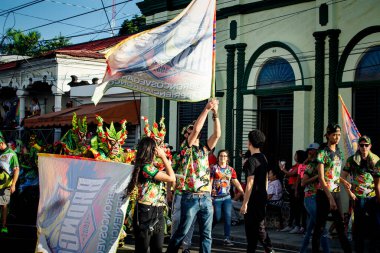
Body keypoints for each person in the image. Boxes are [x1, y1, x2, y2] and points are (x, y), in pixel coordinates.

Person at [167, 99, 221, 253]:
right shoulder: (186, 149)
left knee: (207, 235)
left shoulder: (204, 149)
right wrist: (206, 108)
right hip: (189, 197)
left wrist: (215, 114)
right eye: (189, 130)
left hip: (205, 197)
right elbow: (197, 129)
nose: (194, 131)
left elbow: (217, 134)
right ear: (186, 134)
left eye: (193, 129)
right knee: (182, 231)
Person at [125, 137, 175, 253]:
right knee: (142, 249)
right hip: (146, 212)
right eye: (155, 148)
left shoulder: (151, 167)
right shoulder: (147, 168)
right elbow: (171, 178)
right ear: (150, 150)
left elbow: (170, 177)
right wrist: (163, 157)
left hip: (158, 211)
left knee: (157, 249)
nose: (157, 151)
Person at [311, 123, 352, 253]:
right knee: (319, 227)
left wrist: (343, 181)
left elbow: (333, 174)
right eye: (334, 134)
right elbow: (322, 178)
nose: (337, 137)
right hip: (324, 194)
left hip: (336, 192)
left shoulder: (338, 152)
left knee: (340, 226)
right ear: (328, 135)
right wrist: (330, 199)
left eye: (339, 134)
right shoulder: (323, 152)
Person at [341, 135, 380, 253]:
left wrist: (379, 196)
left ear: (370, 146)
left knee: (376, 225)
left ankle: (373, 249)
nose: (364, 147)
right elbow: (342, 177)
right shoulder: (352, 160)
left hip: (373, 196)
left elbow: (378, 181)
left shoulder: (376, 160)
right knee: (359, 227)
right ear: (358, 146)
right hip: (358, 197)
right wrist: (349, 192)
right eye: (361, 145)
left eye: (366, 145)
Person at [240, 129, 274, 253]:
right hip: (261, 196)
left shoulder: (251, 161)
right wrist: (264, 192)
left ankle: (269, 249)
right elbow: (265, 178)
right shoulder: (263, 158)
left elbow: (249, 183)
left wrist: (245, 203)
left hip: (253, 199)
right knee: (255, 228)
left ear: (250, 142)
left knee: (256, 228)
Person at [300, 142, 330, 253]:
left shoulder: (323, 164)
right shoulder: (312, 165)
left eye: (312, 150)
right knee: (322, 228)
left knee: (310, 230)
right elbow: (303, 183)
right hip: (310, 198)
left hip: (318, 198)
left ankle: (302, 251)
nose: (310, 152)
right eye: (309, 150)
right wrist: (319, 176)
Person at [210, 149, 244, 246]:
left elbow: (235, 181)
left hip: (227, 197)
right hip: (216, 197)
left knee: (228, 218)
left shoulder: (231, 170)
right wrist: (209, 195)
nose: (222, 157)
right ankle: (207, 232)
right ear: (218, 157)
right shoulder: (214, 168)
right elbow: (210, 182)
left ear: (227, 158)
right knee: (217, 217)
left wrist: (242, 192)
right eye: (221, 155)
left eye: (225, 156)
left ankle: (227, 238)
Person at [279, 150, 307, 233]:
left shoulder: (301, 166)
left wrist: (282, 169)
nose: (294, 156)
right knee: (293, 207)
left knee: (298, 208)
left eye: (296, 155)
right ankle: (291, 224)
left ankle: (299, 226)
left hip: (298, 189)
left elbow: (292, 175)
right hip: (292, 189)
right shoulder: (295, 166)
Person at [0, 131, 20, 233]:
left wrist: (13, 184)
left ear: (1, 143)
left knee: (4, 205)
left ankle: (3, 226)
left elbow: (16, 169)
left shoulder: (11, 154)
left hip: (6, 184)